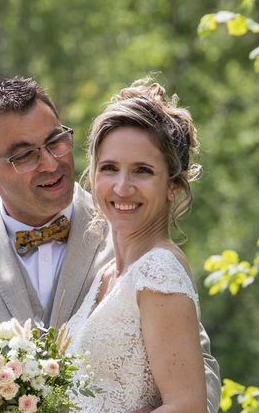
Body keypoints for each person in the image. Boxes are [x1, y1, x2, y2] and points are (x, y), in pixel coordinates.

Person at [0, 76, 221, 413]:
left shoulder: (126, 225)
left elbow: (198, 375)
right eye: (24, 155)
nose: (50, 162)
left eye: (55, 141)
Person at [66, 78, 209, 412]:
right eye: (110, 168)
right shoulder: (107, 275)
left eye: (142, 171)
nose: (122, 187)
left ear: (173, 185)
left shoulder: (157, 272)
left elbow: (187, 406)